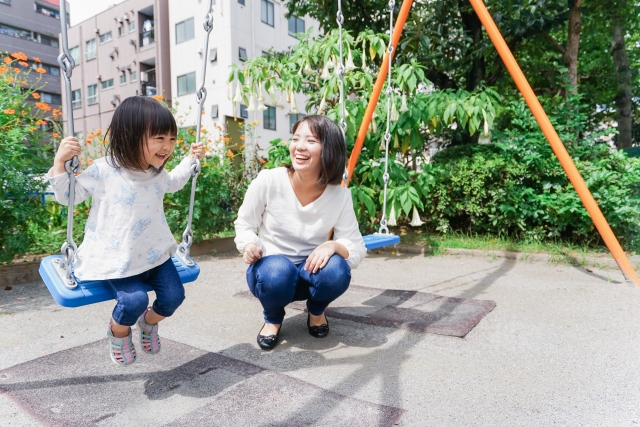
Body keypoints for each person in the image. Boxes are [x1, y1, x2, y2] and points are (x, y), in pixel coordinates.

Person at [47, 96, 204, 366]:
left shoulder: (156, 173)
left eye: (172, 139)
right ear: (130, 136)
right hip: (117, 257)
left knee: (174, 296)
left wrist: (191, 159)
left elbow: (176, 180)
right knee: (133, 301)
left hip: (155, 254)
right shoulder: (104, 170)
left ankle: (148, 323)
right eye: (159, 138)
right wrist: (60, 162)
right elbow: (68, 196)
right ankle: (118, 334)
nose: (167, 147)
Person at [235, 115, 367, 351]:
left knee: (338, 270)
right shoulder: (269, 181)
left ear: (330, 150)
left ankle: (316, 311)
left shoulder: (340, 195)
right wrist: (248, 245)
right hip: (271, 275)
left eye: (311, 140)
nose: (300, 146)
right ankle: (273, 318)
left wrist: (333, 246)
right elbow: (244, 224)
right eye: (296, 138)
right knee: (277, 270)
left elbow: (356, 247)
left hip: (310, 273)